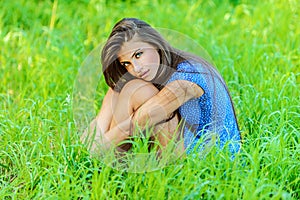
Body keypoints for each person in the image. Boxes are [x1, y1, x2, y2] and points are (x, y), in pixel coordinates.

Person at [80, 18, 241, 158]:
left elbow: (138, 122)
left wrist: (97, 149)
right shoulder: (158, 70)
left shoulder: (186, 77)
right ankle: (94, 157)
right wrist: (83, 147)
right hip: (185, 145)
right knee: (120, 86)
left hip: (211, 159)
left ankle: (108, 165)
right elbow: (101, 119)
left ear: (155, 44)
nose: (135, 68)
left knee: (137, 91)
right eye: (126, 63)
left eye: (138, 54)